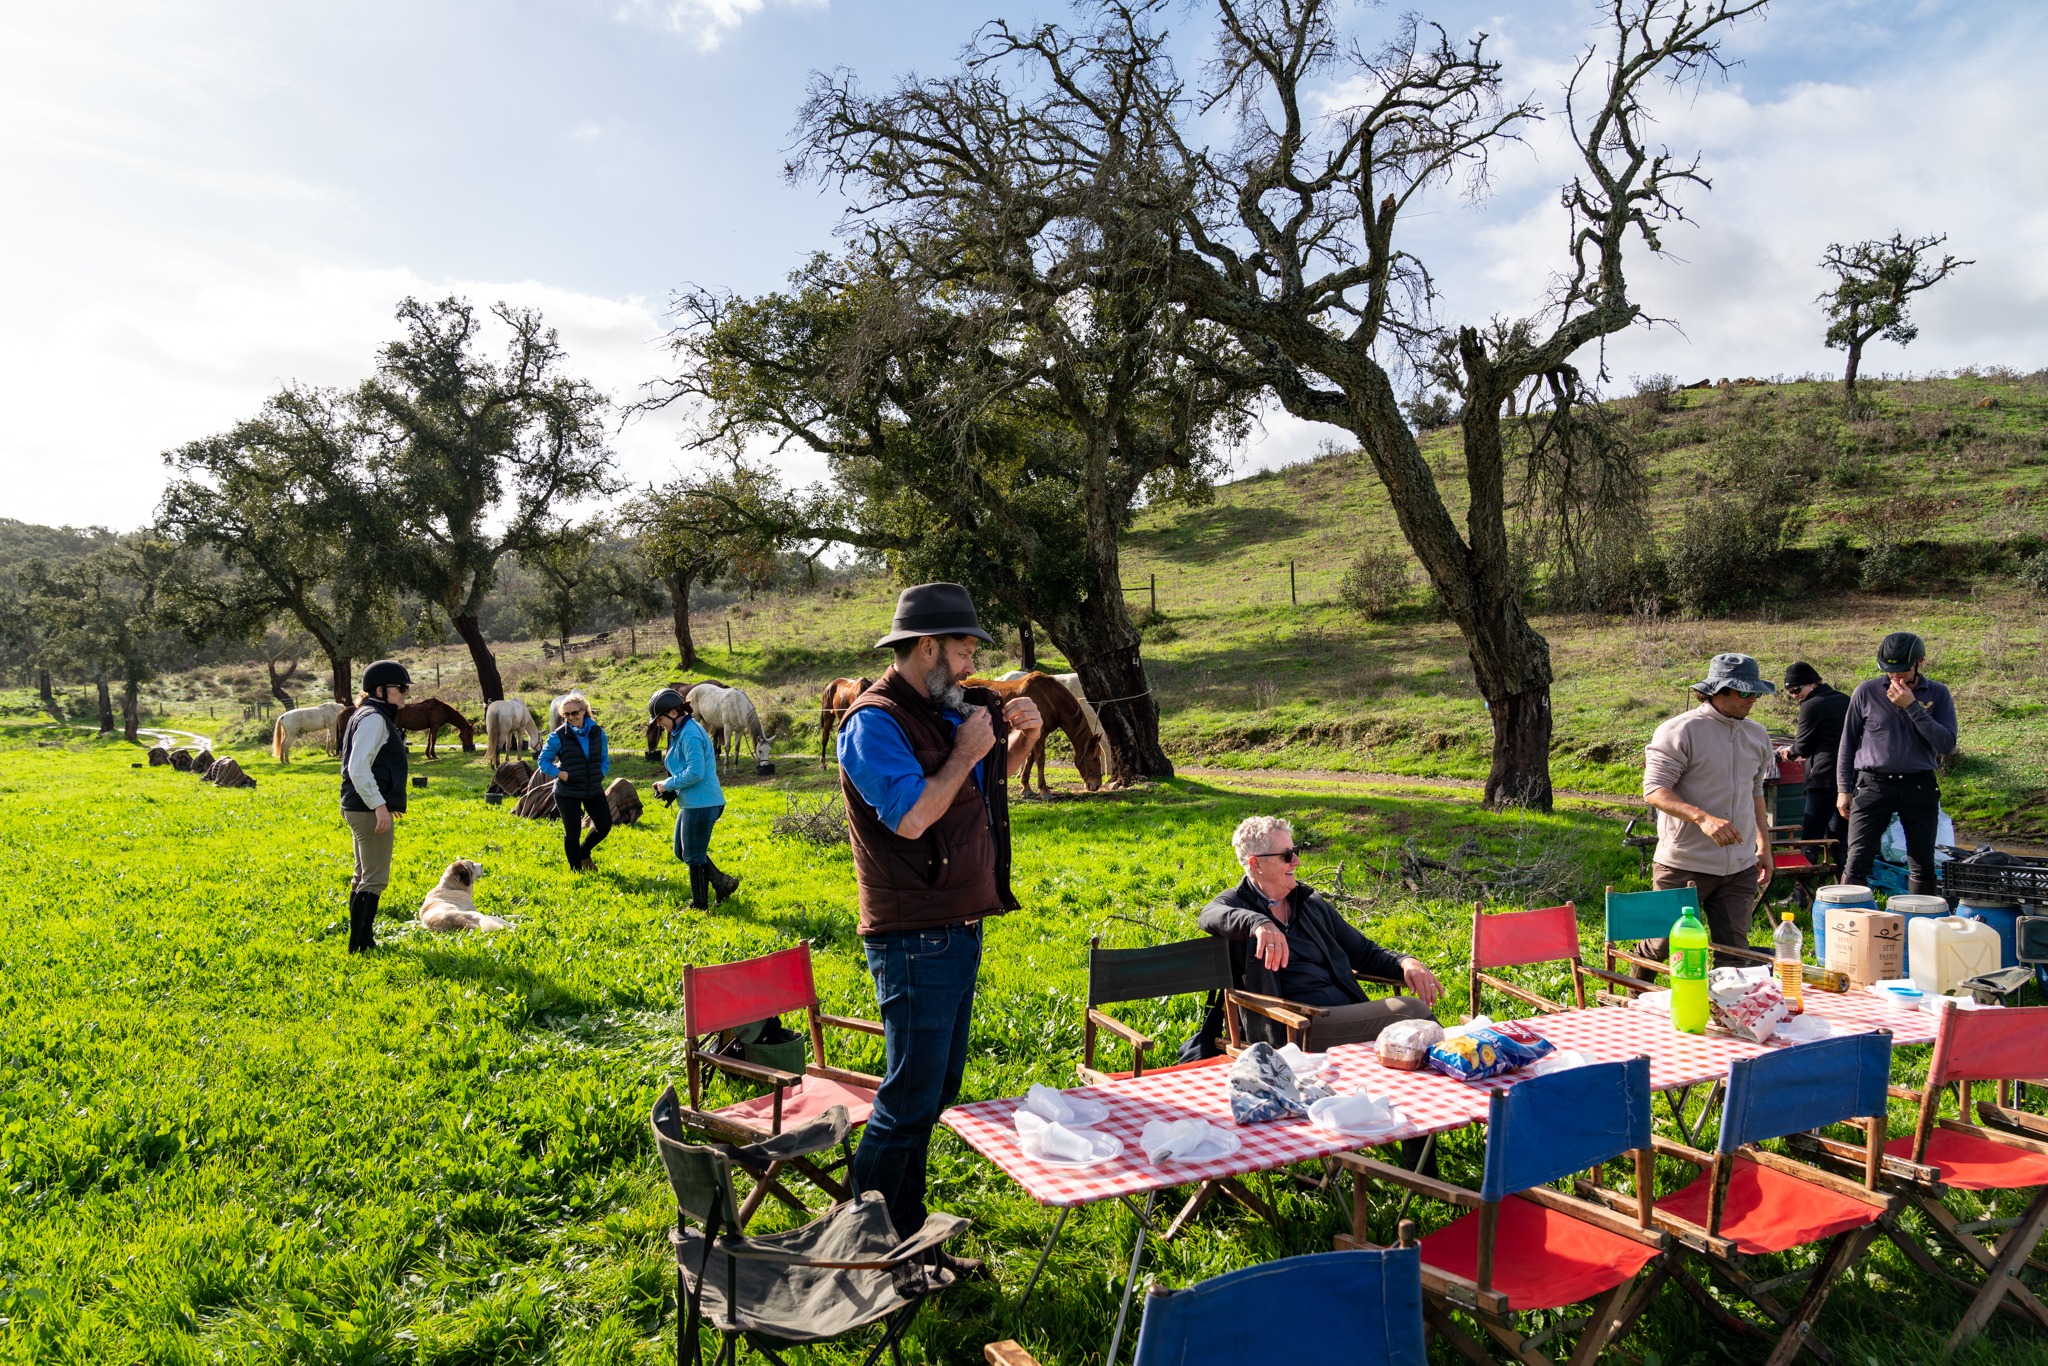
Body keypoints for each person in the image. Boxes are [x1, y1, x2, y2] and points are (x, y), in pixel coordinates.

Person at [836, 582, 1042, 1247]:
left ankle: (905, 1226)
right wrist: (968, 752)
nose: (969, 664)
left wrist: (1021, 742)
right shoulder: (873, 723)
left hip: (956, 928)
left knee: (933, 1090)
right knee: (905, 1100)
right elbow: (914, 813)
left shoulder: (945, 709)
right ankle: (861, 1241)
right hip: (913, 938)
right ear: (926, 647)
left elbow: (973, 790)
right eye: (961, 649)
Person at [1198, 815, 1441, 1050]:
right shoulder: (1239, 902)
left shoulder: (1308, 903)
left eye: (1295, 851)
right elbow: (1209, 914)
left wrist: (1405, 962)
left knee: (1412, 1030)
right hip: (1294, 1025)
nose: (1296, 861)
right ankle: (1457, 1069)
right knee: (1410, 1011)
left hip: (1340, 1012)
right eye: (1286, 855)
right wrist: (1258, 923)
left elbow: (1364, 953)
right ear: (1256, 863)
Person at [1640, 653, 1776, 966]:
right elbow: (1655, 791)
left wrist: (1764, 846)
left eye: (1756, 692)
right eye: (1744, 692)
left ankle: (1724, 1010)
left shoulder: (1757, 735)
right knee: (1662, 944)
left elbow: (1755, 792)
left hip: (1740, 866)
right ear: (1718, 690)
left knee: (1733, 952)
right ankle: (1634, 993)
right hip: (1684, 862)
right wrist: (1703, 818)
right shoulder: (1679, 731)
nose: (1752, 699)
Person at [1837, 631, 1957, 896]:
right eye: (1889, 671)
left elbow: (1947, 743)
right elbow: (1847, 743)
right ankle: (1847, 925)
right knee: (1856, 860)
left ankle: (1922, 925)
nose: (1895, 677)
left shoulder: (1938, 693)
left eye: (1902, 671)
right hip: (1873, 784)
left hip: (1919, 786)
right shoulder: (1866, 691)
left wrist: (1912, 707)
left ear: (1920, 663)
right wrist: (1843, 789)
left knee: (1922, 863)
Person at [338, 659, 412, 954]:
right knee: (374, 878)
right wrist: (380, 805)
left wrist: (384, 801)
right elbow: (358, 768)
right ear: (380, 690)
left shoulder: (367, 714)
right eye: (401, 687)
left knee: (362, 875)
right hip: (366, 809)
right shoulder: (374, 719)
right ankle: (360, 945)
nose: (405, 693)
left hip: (358, 806)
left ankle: (362, 940)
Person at [649, 688, 734, 908]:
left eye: (660, 720)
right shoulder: (681, 732)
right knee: (682, 851)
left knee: (694, 855)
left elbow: (696, 772)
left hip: (703, 803)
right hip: (693, 802)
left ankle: (699, 904)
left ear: (673, 713)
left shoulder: (690, 733)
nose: (660, 725)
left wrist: (668, 784)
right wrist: (670, 788)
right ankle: (722, 882)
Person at [1777, 662, 1850, 858]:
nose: (1794, 696)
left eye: (1796, 689)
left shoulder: (1811, 705)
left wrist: (1788, 752)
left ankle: (1802, 887)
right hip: (1849, 778)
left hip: (1823, 778)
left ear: (1812, 684)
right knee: (1840, 837)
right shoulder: (1845, 699)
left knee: (1811, 838)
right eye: (1790, 692)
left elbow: (1802, 746)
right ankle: (1844, 885)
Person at [535, 690, 611, 872]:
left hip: (592, 786)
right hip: (566, 791)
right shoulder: (558, 736)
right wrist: (560, 774)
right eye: (566, 714)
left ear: (584, 710)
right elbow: (543, 761)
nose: (571, 717)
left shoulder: (597, 732)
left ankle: (583, 852)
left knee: (604, 825)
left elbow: (604, 759)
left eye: (575, 713)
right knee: (573, 832)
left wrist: (599, 773)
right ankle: (576, 871)